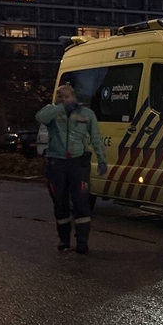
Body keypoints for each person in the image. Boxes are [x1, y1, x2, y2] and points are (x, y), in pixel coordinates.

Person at [35, 85, 108, 254]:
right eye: (60, 96)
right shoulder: (51, 112)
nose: (63, 99)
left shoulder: (86, 114)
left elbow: (96, 137)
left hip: (78, 164)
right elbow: (40, 117)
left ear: (74, 96)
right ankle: (64, 240)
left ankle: (82, 242)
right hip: (56, 164)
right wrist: (59, 107)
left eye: (66, 96)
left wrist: (102, 159)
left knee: (81, 202)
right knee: (60, 202)